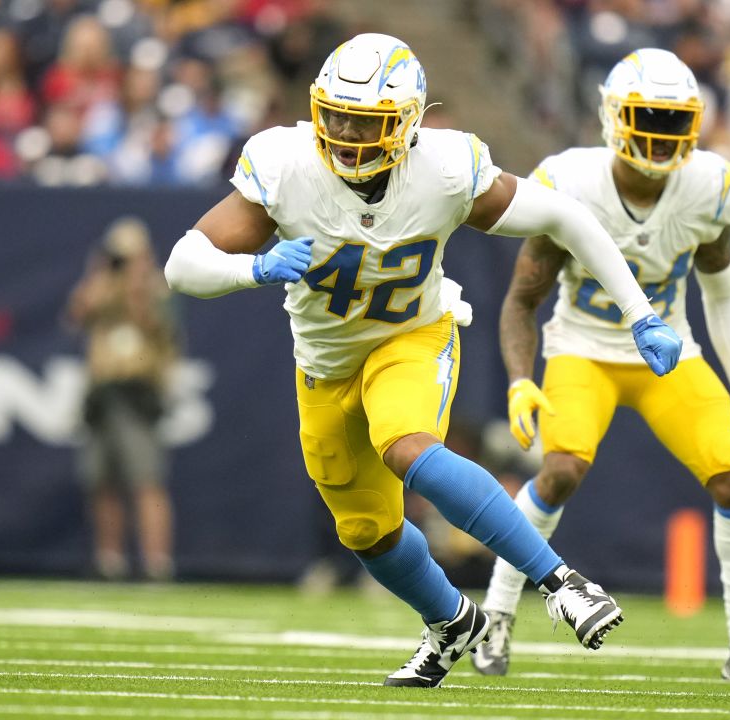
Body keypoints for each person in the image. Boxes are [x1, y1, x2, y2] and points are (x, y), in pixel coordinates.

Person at [163, 33, 684, 688]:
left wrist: (641, 314)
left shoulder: (443, 167)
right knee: (366, 532)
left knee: (405, 445)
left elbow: (567, 218)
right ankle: (450, 622)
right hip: (324, 363)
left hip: (411, 336)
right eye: (339, 116)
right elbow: (184, 264)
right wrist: (253, 267)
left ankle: (561, 581)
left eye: (369, 121)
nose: (349, 135)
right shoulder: (286, 162)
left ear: (406, 123)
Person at [470, 48, 730, 685]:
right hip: (582, 349)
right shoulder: (567, 181)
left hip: (667, 354)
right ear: (613, 116)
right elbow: (522, 299)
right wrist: (520, 380)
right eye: (647, 115)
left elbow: (722, 291)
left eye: (673, 119)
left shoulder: (712, 186)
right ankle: (500, 614)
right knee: (560, 470)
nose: (660, 131)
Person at [67, 217, 179, 581]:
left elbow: (157, 327)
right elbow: (76, 315)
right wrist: (100, 274)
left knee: (146, 479)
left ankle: (156, 562)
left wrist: (137, 284)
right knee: (102, 481)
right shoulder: (102, 287)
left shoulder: (157, 288)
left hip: (139, 391)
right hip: (103, 390)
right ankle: (109, 560)